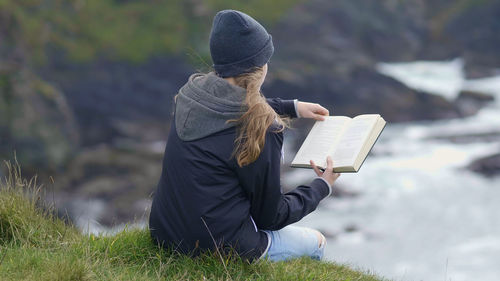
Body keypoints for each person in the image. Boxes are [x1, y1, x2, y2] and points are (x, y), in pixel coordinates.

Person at [149, 9, 340, 262]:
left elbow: (231, 108)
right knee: (317, 242)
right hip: (219, 250)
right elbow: (270, 217)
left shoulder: (191, 96)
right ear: (261, 67)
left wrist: (291, 106)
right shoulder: (262, 128)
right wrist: (322, 187)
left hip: (166, 233)